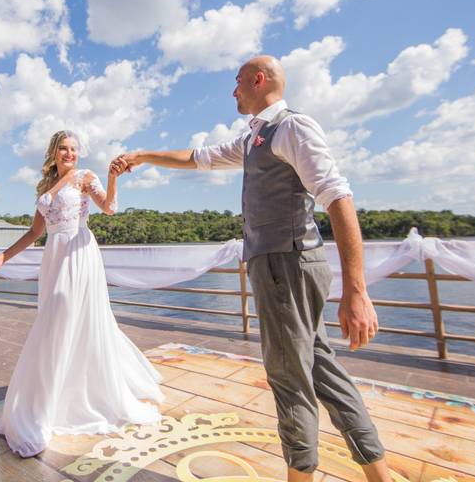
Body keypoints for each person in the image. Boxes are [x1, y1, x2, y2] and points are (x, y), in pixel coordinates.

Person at [110, 56, 392, 482]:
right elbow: (198, 157)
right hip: (283, 264)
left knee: (287, 376)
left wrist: (357, 290)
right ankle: (379, 474)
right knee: (320, 369)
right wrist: (145, 155)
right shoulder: (255, 137)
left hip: (286, 264)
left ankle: (300, 475)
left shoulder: (292, 127)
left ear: (259, 80)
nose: (234, 91)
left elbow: (338, 197)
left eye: (239, 82)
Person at [0, 130, 163, 457]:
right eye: (63, 148)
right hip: (54, 257)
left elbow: (109, 208)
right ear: (53, 153)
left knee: (60, 319)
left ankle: (49, 404)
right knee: (58, 322)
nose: (69, 153)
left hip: (79, 253)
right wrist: (1, 258)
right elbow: (35, 232)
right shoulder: (46, 189)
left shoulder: (84, 178)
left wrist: (111, 176)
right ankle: (55, 395)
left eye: (74, 149)